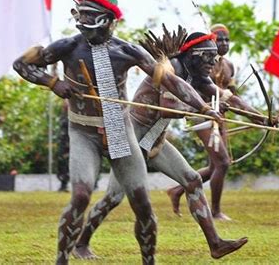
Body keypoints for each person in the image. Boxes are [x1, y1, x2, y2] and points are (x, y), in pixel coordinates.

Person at [13, 0, 221, 265]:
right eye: (81, 14)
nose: (83, 21)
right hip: (83, 131)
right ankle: (61, 261)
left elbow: (173, 82)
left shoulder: (127, 51)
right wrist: (53, 83)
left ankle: (149, 262)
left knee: (142, 206)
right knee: (80, 196)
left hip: (120, 131)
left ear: (108, 21)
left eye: (90, 16)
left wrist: (203, 107)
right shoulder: (67, 47)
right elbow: (21, 65)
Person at [73, 30, 255, 260]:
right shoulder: (169, 69)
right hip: (133, 139)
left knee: (192, 180)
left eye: (214, 57)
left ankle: (215, 244)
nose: (213, 62)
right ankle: (80, 244)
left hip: (155, 139)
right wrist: (206, 109)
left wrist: (261, 118)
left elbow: (230, 98)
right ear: (193, 55)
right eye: (208, 56)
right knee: (113, 197)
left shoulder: (198, 75)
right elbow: (169, 106)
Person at [167, 24, 261, 220]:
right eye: (220, 39)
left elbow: (231, 95)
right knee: (223, 162)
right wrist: (209, 107)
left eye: (227, 39)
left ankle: (177, 190)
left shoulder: (228, 66)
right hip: (200, 113)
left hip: (219, 114)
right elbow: (194, 91)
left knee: (215, 166)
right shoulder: (197, 64)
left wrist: (257, 115)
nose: (224, 43)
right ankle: (216, 212)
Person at [56, 100, 70, 192]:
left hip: (75, 141)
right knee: (62, 162)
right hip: (64, 142)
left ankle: (93, 184)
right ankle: (63, 184)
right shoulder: (63, 116)